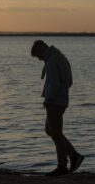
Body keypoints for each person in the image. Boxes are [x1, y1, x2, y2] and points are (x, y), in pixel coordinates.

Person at [31, 40, 84, 176]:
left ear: (41, 50)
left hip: (55, 102)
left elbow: (54, 83)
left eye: (38, 56)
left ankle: (63, 166)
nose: (39, 59)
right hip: (60, 100)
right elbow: (69, 81)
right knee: (51, 130)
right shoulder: (59, 57)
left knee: (56, 134)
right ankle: (73, 156)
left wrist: (49, 99)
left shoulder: (53, 61)